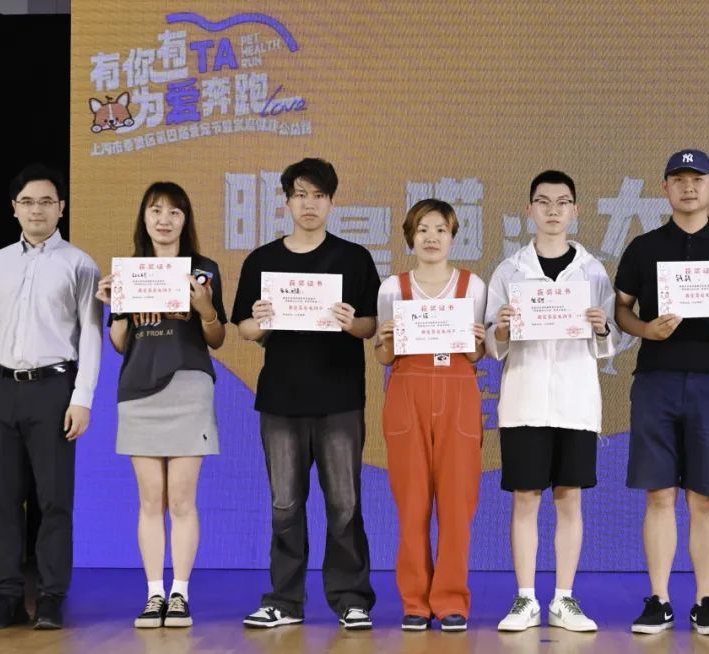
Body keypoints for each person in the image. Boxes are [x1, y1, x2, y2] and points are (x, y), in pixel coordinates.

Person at [614, 149, 709, 636]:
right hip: (655, 380)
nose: (688, 187)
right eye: (678, 179)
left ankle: (705, 601)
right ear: (665, 188)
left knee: (704, 497)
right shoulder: (643, 247)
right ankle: (659, 599)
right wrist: (645, 330)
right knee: (659, 495)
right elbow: (622, 309)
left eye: (697, 179)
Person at [232, 158, 379, 630]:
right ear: (286, 201)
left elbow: (372, 325)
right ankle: (284, 600)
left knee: (345, 503)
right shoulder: (262, 260)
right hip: (281, 400)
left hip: (339, 399)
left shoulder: (354, 258)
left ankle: (351, 598)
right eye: (300, 195)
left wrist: (350, 322)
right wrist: (260, 321)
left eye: (318, 196)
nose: (309, 204)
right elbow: (244, 328)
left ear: (331, 202)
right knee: (285, 504)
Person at [0, 164, 102, 629]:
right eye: (27, 202)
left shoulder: (80, 264)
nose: (37, 210)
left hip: (53, 389)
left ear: (61, 207)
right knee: (2, 499)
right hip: (0, 388)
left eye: (46, 201)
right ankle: (6, 596)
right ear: (14, 209)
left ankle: (49, 597)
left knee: (54, 499)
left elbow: (91, 335)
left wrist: (82, 397)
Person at [486, 171, 617, 633]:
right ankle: (525, 598)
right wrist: (501, 328)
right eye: (543, 202)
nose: (553, 210)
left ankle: (564, 598)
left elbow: (609, 342)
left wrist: (602, 327)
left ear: (575, 211)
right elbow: (491, 342)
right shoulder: (509, 270)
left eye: (562, 202)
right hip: (524, 399)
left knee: (569, 497)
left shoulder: (593, 271)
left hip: (575, 401)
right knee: (525, 498)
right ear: (530, 210)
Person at [95, 182, 227, 629]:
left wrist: (205, 308)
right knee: (151, 499)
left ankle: (180, 594)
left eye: (174, 211)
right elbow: (119, 344)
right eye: (156, 210)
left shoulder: (203, 270)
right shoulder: (129, 272)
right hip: (138, 389)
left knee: (182, 500)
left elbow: (216, 337)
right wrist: (114, 308)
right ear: (144, 218)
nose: (164, 220)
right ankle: (154, 594)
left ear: (186, 220)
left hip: (189, 386)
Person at [374, 199, 487, 633]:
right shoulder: (393, 288)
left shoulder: (473, 286)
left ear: (453, 236)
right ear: (410, 237)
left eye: (440, 229)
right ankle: (416, 603)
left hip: (458, 392)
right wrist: (384, 339)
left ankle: (452, 599)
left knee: (458, 504)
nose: (432, 238)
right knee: (413, 504)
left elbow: (477, 354)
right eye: (423, 229)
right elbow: (385, 357)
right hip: (408, 393)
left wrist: (477, 341)